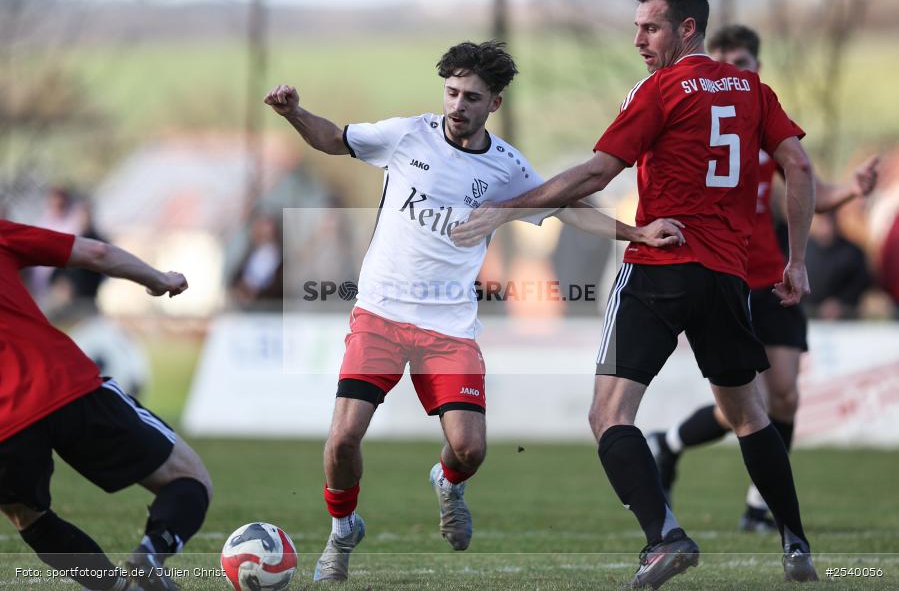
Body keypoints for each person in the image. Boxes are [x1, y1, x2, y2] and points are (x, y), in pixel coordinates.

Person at [264, 40, 686, 583]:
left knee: (470, 447)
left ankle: (448, 481)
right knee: (343, 438)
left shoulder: (507, 167)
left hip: (449, 326)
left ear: (495, 104)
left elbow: (569, 207)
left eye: (471, 97)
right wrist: (295, 113)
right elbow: (335, 138)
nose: (457, 105)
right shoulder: (406, 135)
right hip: (380, 314)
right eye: (452, 92)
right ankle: (343, 530)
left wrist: (635, 232)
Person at [451, 0, 819, 587]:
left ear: (688, 28)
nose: (639, 40)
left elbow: (597, 171)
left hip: (660, 265)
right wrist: (797, 260)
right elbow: (798, 166)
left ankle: (664, 537)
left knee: (609, 413)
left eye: (651, 28)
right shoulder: (753, 90)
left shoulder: (659, 91)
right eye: (637, 28)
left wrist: (503, 210)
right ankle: (796, 544)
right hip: (727, 277)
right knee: (750, 416)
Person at [646, 23, 879, 532]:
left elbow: (806, 187)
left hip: (771, 280)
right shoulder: (694, 130)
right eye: (724, 62)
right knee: (744, 405)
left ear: (756, 68)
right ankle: (671, 443)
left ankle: (757, 504)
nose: (732, 72)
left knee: (786, 395)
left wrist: (852, 192)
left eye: (743, 64)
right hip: (725, 281)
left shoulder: (763, 128)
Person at [0, 219, 212, 591]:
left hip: (4, 426)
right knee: (189, 477)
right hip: (64, 383)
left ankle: (117, 588)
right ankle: (151, 553)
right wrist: (156, 278)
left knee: (27, 517)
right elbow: (95, 251)